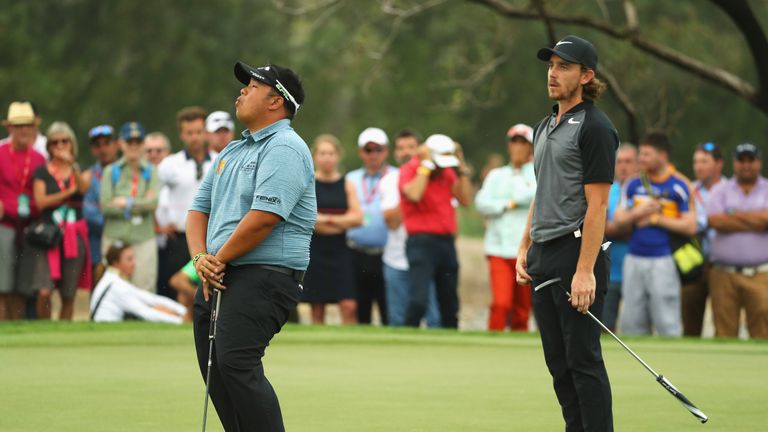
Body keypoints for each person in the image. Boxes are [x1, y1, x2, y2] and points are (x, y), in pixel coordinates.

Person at [188, 61, 312, 431]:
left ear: (276, 101)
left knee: (236, 363)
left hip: (265, 275)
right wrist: (200, 259)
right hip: (220, 272)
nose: (242, 90)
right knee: (217, 367)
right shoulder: (231, 151)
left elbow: (263, 219)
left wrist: (216, 259)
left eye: (252, 86)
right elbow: (197, 211)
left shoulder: (286, 147)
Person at [516, 35, 617, 431]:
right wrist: (525, 245)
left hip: (576, 256)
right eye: (551, 66)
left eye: (564, 67)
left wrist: (585, 270)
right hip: (544, 254)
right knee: (558, 364)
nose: (553, 74)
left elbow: (598, 206)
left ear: (586, 75)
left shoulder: (595, 127)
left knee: (584, 362)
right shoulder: (545, 125)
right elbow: (543, 190)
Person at [614, 132, 697, 336]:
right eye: (640, 154)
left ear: (662, 155)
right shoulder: (633, 184)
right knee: (632, 322)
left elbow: (690, 226)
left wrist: (656, 219)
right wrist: (638, 212)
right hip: (633, 258)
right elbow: (618, 218)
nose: (641, 159)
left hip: (664, 259)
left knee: (667, 322)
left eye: (646, 154)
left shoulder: (679, 184)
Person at [400, 133, 472, 328]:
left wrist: (461, 167)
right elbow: (414, 194)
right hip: (420, 243)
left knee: (450, 303)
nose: (441, 167)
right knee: (418, 301)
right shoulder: (411, 169)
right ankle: (405, 341)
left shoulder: (447, 172)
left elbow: (465, 200)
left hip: (446, 243)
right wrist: (426, 165)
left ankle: (452, 347)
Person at [475, 123, 536, 332]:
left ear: (531, 147)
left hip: (526, 251)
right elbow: (482, 202)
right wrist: (507, 204)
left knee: (522, 309)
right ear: (509, 146)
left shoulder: (538, 173)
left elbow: (533, 196)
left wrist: (506, 200)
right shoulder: (497, 175)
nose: (518, 147)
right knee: (501, 304)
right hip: (498, 249)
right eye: (514, 142)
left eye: (523, 142)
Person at [29, 122, 92, 320]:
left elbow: (83, 188)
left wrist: (71, 165)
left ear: (72, 144)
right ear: (48, 146)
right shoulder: (42, 171)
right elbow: (41, 202)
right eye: (55, 142)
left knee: (68, 292)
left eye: (65, 141)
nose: (60, 145)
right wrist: (69, 192)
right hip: (49, 234)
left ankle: (64, 331)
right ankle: (44, 328)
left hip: (74, 234)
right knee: (45, 290)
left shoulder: (80, 169)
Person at [707, 143, 768, 338]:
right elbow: (715, 221)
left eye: (751, 160)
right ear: (734, 163)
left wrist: (733, 215)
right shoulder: (720, 190)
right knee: (724, 332)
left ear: (759, 163)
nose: (746, 165)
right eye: (741, 160)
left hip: (760, 274)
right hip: (724, 274)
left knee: (763, 331)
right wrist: (756, 220)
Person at [380, 129, 440, 327]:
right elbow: (392, 221)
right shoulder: (388, 180)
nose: (405, 152)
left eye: (411, 147)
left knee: (434, 320)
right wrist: (409, 191)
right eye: (400, 148)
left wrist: (419, 180)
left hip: (427, 259)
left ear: (421, 150)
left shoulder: (434, 176)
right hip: (395, 260)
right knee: (398, 320)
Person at [302, 134, 363, 324]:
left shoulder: (347, 184)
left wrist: (325, 219)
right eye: (322, 153)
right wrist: (339, 221)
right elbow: (306, 218)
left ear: (338, 156)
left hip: (340, 250)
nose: (327, 157)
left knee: (349, 306)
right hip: (315, 250)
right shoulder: (307, 183)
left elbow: (358, 217)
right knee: (317, 308)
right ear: (314, 156)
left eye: (331, 153)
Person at [156, 107, 215, 298]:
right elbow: (152, 196)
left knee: (209, 287)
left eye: (198, 132)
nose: (194, 137)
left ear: (205, 133)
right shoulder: (169, 164)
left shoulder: (219, 161)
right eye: (189, 133)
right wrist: (158, 225)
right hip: (179, 238)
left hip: (209, 238)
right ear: (182, 134)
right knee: (174, 291)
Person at [100, 122, 160, 292]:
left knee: (144, 288)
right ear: (121, 144)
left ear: (143, 145)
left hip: (143, 238)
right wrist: (141, 202)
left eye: (138, 142)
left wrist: (125, 202)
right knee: (114, 289)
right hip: (115, 238)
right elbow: (105, 207)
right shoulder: (111, 171)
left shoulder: (152, 171)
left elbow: (153, 204)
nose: (133, 146)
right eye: (129, 142)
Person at [0, 101, 47, 320]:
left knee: (23, 285)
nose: (24, 130)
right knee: (3, 284)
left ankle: (17, 329)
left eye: (27, 125)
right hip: (5, 224)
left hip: (30, 227)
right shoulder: (0, 152)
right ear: (9, 128)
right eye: (19, 126)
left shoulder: (39, 158)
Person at [345, 127, 392, 324]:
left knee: (388, 308)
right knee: (360, 309)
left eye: (378, 149)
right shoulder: (350, 179)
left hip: (388, 254)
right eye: (368, 149)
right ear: (361, 152)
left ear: (386, 151)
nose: (374, 154)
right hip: (356, 252)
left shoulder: (396, 176)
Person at [684, 141, 724, 336]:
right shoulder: (688, 189)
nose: (698, 166)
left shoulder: (729, 189)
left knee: (723, 320)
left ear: (718, 164)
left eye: (704, 161)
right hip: (693, 261)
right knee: (689, 318)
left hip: (721, 263)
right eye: (696, 161)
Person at [91, 242, 187, 323]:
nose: (134, 263)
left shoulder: (111, 280)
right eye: (129, 259)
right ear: (115, 263)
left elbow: (151, 299)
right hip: (110, 334)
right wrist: (181, 320)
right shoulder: (116, 285)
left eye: (133, 258)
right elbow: (146, 313)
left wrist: (183, 311)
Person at [602, 143, 639, 331]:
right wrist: (633, 223)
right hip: (610, 272)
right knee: (606, 327)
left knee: (636, 329)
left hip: (640, 272)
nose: (623, 166)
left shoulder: (645, 190)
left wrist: (616, 226)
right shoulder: (606, 191)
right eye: (619, 162)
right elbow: (601, 229)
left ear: (638, 164)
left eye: (629, 162)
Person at [82, 124, 120, 286]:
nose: (103, 149)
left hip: (128, 242)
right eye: (98, 145)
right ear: (93, 150)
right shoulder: (89, 176)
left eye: (107, 143)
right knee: (99, 286)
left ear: (116, 145)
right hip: (98, 243)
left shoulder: (129, 171)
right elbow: (89, 212)